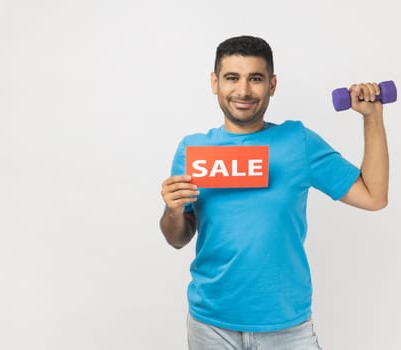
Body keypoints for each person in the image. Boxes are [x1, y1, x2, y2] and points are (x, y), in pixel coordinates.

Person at [160, 35, 389, 349]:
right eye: (232, 78)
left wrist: (372, 117)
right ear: (215, 82)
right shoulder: (192, 150)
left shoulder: (298, 141)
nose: (243, 90)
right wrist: (172, 211)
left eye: (255, 78)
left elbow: (373, 196)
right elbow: (177, 238)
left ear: (272, 85)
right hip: (210, 325)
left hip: (287, 329)